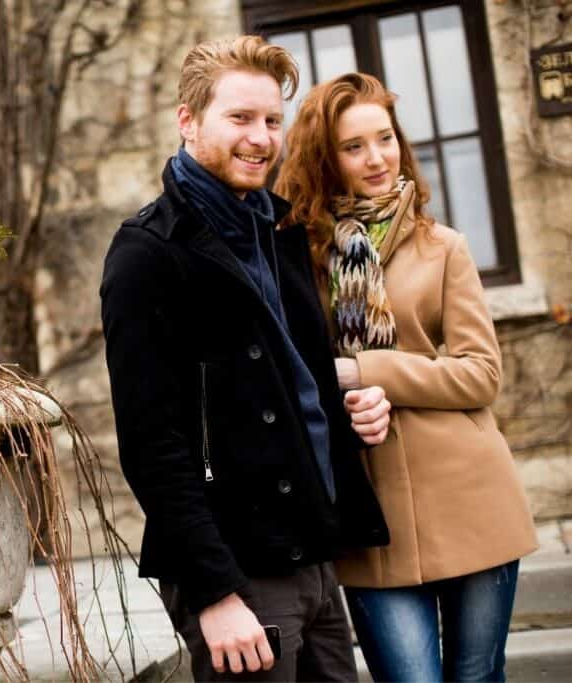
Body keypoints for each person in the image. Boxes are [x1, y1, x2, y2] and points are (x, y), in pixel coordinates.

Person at [100, 36, 393, 682]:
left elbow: (284, 385)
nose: (261, 138)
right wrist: (215, 591)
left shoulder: (277, 231)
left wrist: (349, 414)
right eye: (240, 118)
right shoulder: (146, 254)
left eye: (271, 120)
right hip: (240, 571)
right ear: (188, 120)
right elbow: (152, 446)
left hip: (313, 556)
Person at [275, 72, 539, 682]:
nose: (377, 158)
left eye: (385, 138)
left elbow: (480, 374)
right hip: (371, 520)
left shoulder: (443, 246)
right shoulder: (299, 259)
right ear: (324, 158)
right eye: (353, 146)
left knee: (476, 676)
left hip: (472, 497)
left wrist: (365, 369)